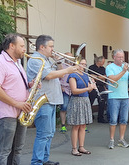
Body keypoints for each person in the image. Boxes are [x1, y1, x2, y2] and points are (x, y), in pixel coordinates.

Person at [27, 35, 78, 165]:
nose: (53, 49)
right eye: (51, 46)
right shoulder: (36, 59)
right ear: (42, 47)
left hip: (51, 100)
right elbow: (49, 75)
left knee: (50, 133)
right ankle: (37, 161)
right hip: (43, 100)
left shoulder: (48, 59)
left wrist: (60, 62)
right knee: (43, 134)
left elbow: (60, 73)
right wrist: (67, 69)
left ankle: (44, 159)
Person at [0, 33, 31, 165]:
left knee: (17, 149)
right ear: (12, 46)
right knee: (4, 151)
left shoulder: (17, 63)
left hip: (21, 113)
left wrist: (30, 85)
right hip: (7, 113)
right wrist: (17, 103)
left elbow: (14, 83)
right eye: (22, 46)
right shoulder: (0, 62)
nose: (24, 49)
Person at [106, 49, 129, 149]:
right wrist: (124, 71)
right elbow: (112, 80)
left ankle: (121, 139)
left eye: (123, 57)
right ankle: (111, 140)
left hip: (125, 97)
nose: (122, 59)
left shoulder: (126, 68)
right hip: (114, 97)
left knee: (124, 120)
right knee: (113, 120)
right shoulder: (109, 67)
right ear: (114, 57)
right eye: (119, 57)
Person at [67, 59, 95, 156]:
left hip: (85, 100)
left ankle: (81, 147)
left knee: (83, 125)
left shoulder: (86, 75)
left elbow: (88, 90)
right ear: (76, 64)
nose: (83, 66)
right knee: (76, 125)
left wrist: (92, 86)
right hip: (76, 101)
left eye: (85, 64)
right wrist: (88, 88)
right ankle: (74, 148)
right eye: (82, 64)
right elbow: (74, 90)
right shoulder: (72, 75)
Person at [88, 55, 109, 123]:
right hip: (93, 86)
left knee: (102, 102)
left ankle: (100, 118)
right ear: (99, 61)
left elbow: (105, 77)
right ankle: (89, 117)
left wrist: (97, 77)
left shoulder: (103, 68)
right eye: (103, 62)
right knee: (90, 102)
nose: (103, 63)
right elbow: (91, 76)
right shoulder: (91, 67)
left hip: (101, 86)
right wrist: (100, 77)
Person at [59, 52, 73, 133]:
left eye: (71, 57)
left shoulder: (74, 67)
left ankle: (73, 123)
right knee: (64, 107)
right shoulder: (62, 66)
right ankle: (63, 125)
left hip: (73, 89)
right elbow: (57, 78)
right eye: (68, 57)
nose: (70, 59)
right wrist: (60, 87)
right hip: (65, 89)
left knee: (73, 107)